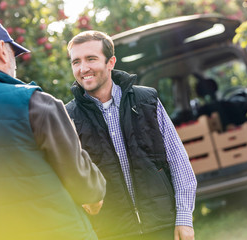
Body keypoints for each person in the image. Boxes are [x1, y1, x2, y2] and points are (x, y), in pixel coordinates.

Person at [0, 19, 106, 240]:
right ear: (3, 50)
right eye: (14, 54)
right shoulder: (36, 102)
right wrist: (95, 193)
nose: (15, 63)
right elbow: (86, 187)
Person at [66, 30, 197, 240]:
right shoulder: (68, 117)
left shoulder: (147, 100)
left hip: (162, 225)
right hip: (111, 233)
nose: (83, 68)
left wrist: (183, 217)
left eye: (91, 59)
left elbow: (178, 161)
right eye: (76, 62)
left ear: (111, 62)